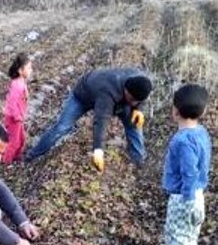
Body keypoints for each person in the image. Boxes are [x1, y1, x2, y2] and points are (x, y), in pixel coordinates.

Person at [24, 67, 153, 172]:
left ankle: (138, 163)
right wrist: (98, 150)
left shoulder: (141, 81)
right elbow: (100, 121)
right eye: (132, 100)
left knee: (134, 125)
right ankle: (32, 154)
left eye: (137, 101)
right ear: (126, 90)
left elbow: (141, 99)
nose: (133, 103)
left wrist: (138, 110)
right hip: (83, 96)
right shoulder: (107, 92)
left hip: (119, 100)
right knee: (62, 127)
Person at [146, 84, 212, 245]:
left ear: (174, 111)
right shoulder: (202, 132)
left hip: (184, 197)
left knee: (176, 233)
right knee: (191, 232)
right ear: (203, 111)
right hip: (198, 194)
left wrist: (188, 198)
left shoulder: (182, 141)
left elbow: (189, 171)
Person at [1, 52, 32, 164]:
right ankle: (6, 162)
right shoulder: (17, 85)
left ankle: (17, 157)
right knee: (14, 142)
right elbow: (12, 103)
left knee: (22, 139)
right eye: (28, 68)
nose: (30, 70)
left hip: (19, 117)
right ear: (20, 70)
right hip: (14, 119)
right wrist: (17, 116)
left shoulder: (21, 82)